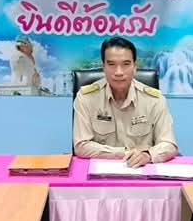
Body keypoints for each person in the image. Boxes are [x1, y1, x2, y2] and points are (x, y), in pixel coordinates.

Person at [72, 37, 177, 167]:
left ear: (135, 67)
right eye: (111, 64)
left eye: (126, 64)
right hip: (100, 171)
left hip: (142, 170)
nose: (119, 72)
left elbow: (168, 144)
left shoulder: (154, 100)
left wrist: (148, 155)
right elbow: (81, 146)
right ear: (103, 67)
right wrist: (124, 153)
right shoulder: (86, 98)